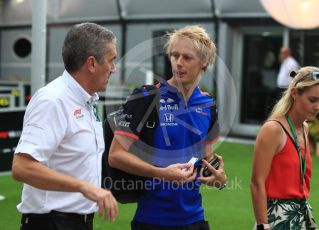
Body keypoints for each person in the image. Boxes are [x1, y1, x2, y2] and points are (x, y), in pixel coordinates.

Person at [108, 25, 227, 229]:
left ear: (204, 62)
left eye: (187, 58)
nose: (178, 63)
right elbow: (116, 156)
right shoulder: (146, 97)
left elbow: (206, 160)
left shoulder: (209, 104)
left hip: (195, 220)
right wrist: (161, 173)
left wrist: (219, 179)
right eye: (174, 55)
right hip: (152, 220)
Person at [12, 22, 118, 230]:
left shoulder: (85, 101)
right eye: (111, 60)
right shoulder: (53, 101)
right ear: (91, 63)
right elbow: (22, 167)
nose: (114, 69)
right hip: (51, 223)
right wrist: (83, 186)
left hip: (75, 222)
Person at [251, 66, 319, 229]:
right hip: (276, 217)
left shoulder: (305, 128)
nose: (318, 107)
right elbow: (256, 182)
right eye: (313, 100)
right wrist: (262, 225)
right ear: (294, 93)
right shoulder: (273, 129)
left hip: (302, 214)